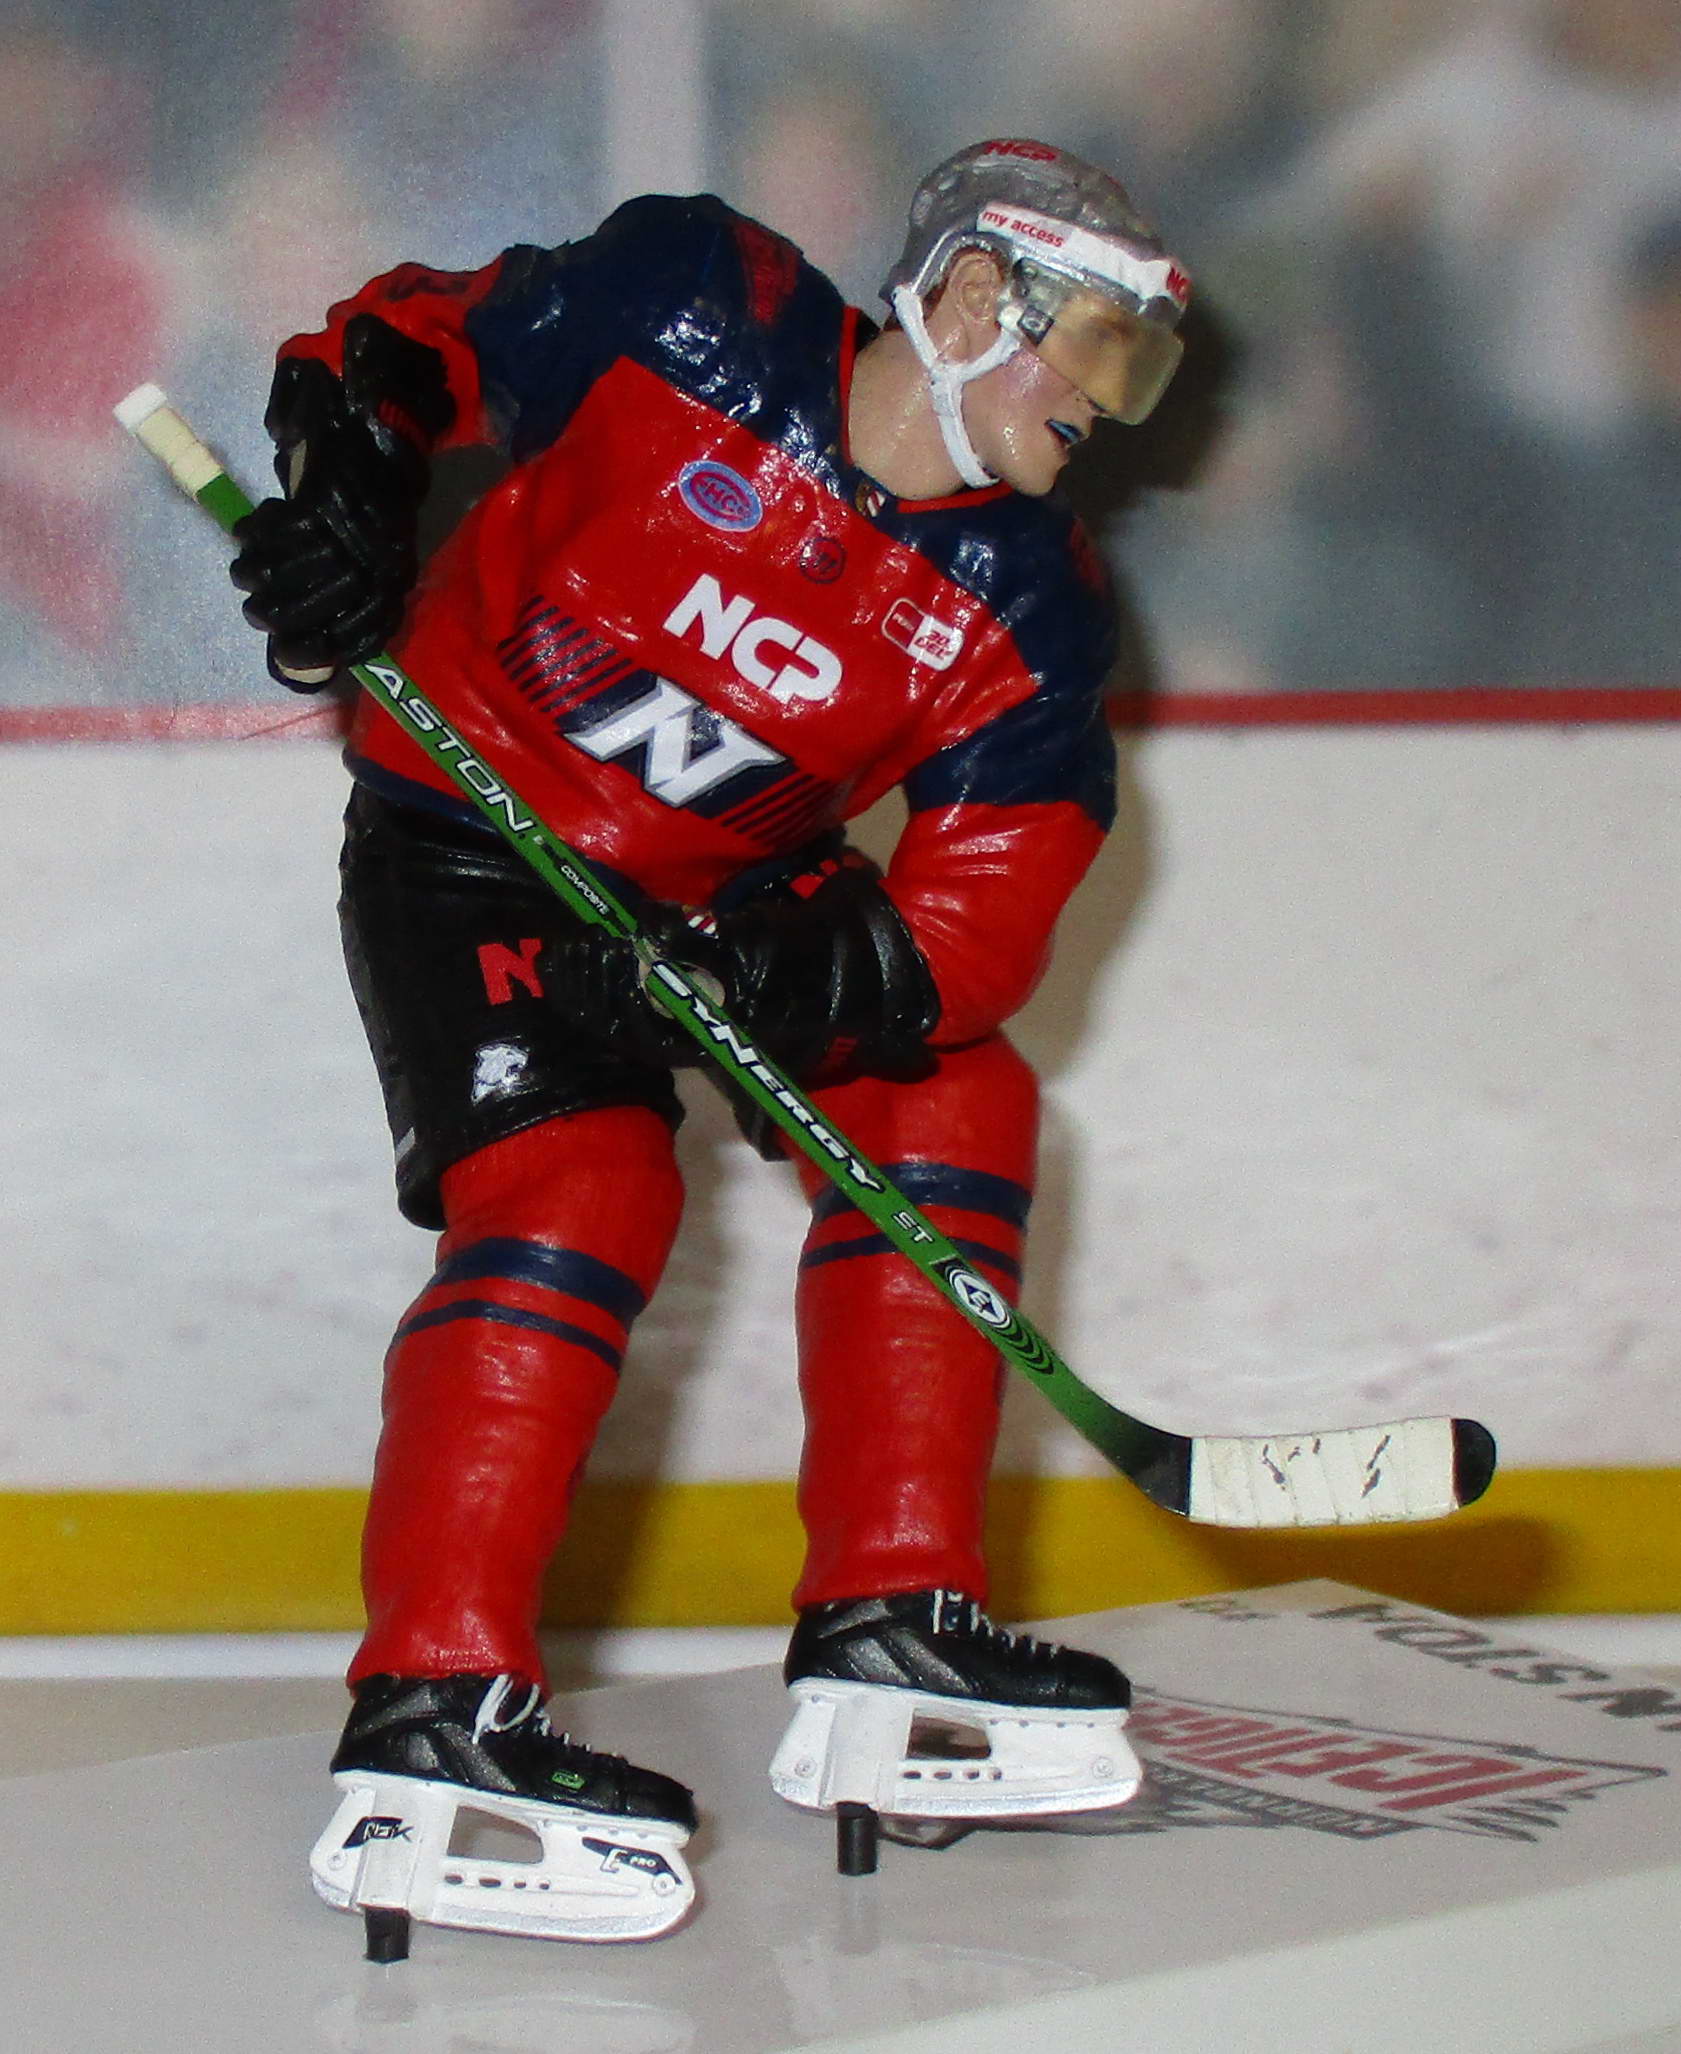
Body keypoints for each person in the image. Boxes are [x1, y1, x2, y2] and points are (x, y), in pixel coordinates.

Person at [230, 137, 1190, 1952]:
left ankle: (890, 1623)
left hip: (722, 888)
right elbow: (404, 338)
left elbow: (981, 914)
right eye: (1096, 348)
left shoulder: (1032, 602)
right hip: (473, 841)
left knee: (950, 1092)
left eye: (1136, 370)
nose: (1106, 405)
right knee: (580, 1189)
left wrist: (768, 968)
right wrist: (351, 493)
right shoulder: (695, 305)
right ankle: (432, 1706)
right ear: (972, 298)